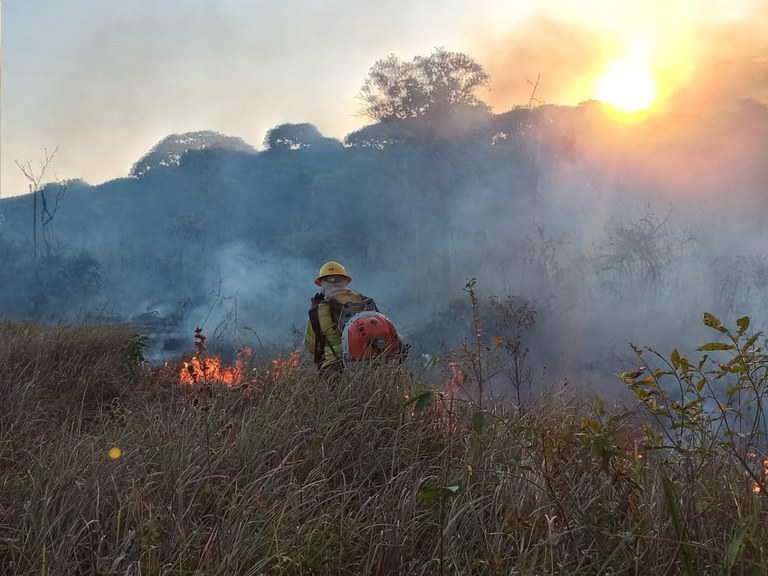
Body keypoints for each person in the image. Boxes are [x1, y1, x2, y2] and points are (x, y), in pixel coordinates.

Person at [304, 261, 405, 382]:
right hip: (374, 365)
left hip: (336, 371)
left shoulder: (319, 309)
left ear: (322, 285)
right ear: (346, 281)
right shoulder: (365, 301)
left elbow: (311, 347)